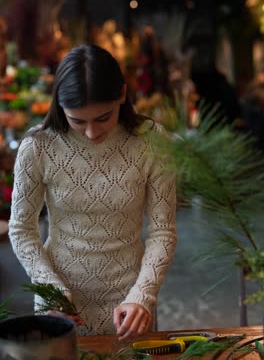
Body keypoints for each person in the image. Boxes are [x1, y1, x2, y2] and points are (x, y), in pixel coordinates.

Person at [9, 44, 177, 339]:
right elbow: (22, 229)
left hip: (131, 299)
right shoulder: (37, 147)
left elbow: (163, 231)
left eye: (103, 118)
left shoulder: (151, 141)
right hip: (58, 301)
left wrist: (143, 293)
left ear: (122, 95)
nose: (91, 132)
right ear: (60, 106)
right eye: (77, 121)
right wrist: (49, 288)